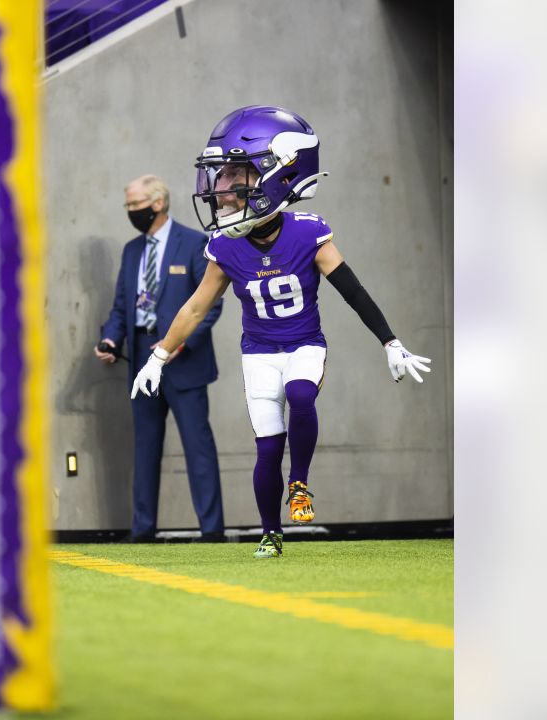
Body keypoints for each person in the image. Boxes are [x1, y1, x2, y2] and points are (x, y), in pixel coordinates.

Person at [130, 106, 432, 559]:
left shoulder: (308, 233)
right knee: (268, 445)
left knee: (301, 395)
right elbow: (195, 308)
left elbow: (353, 290)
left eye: (236, 177)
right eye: (222, 177)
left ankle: (301, 484)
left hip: (304, 344)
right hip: (258, 351)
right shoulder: (225, 246)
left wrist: (390, 340)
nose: (222, 191)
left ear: (279, 175)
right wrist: (158, 355)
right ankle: (271, 532)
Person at [96, 174, 226, 543]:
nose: (130, 212)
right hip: (141, 361)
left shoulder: (194, 243)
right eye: (128, 207)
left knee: (198, 449)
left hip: (184, 362)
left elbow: (211, 306)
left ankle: (212, 531)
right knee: (146, 449)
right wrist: (110, 337)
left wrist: (179, 343)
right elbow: (122, 306)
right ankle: (142, 530)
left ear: (157, 204)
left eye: (134, 206)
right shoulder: (131, 251)